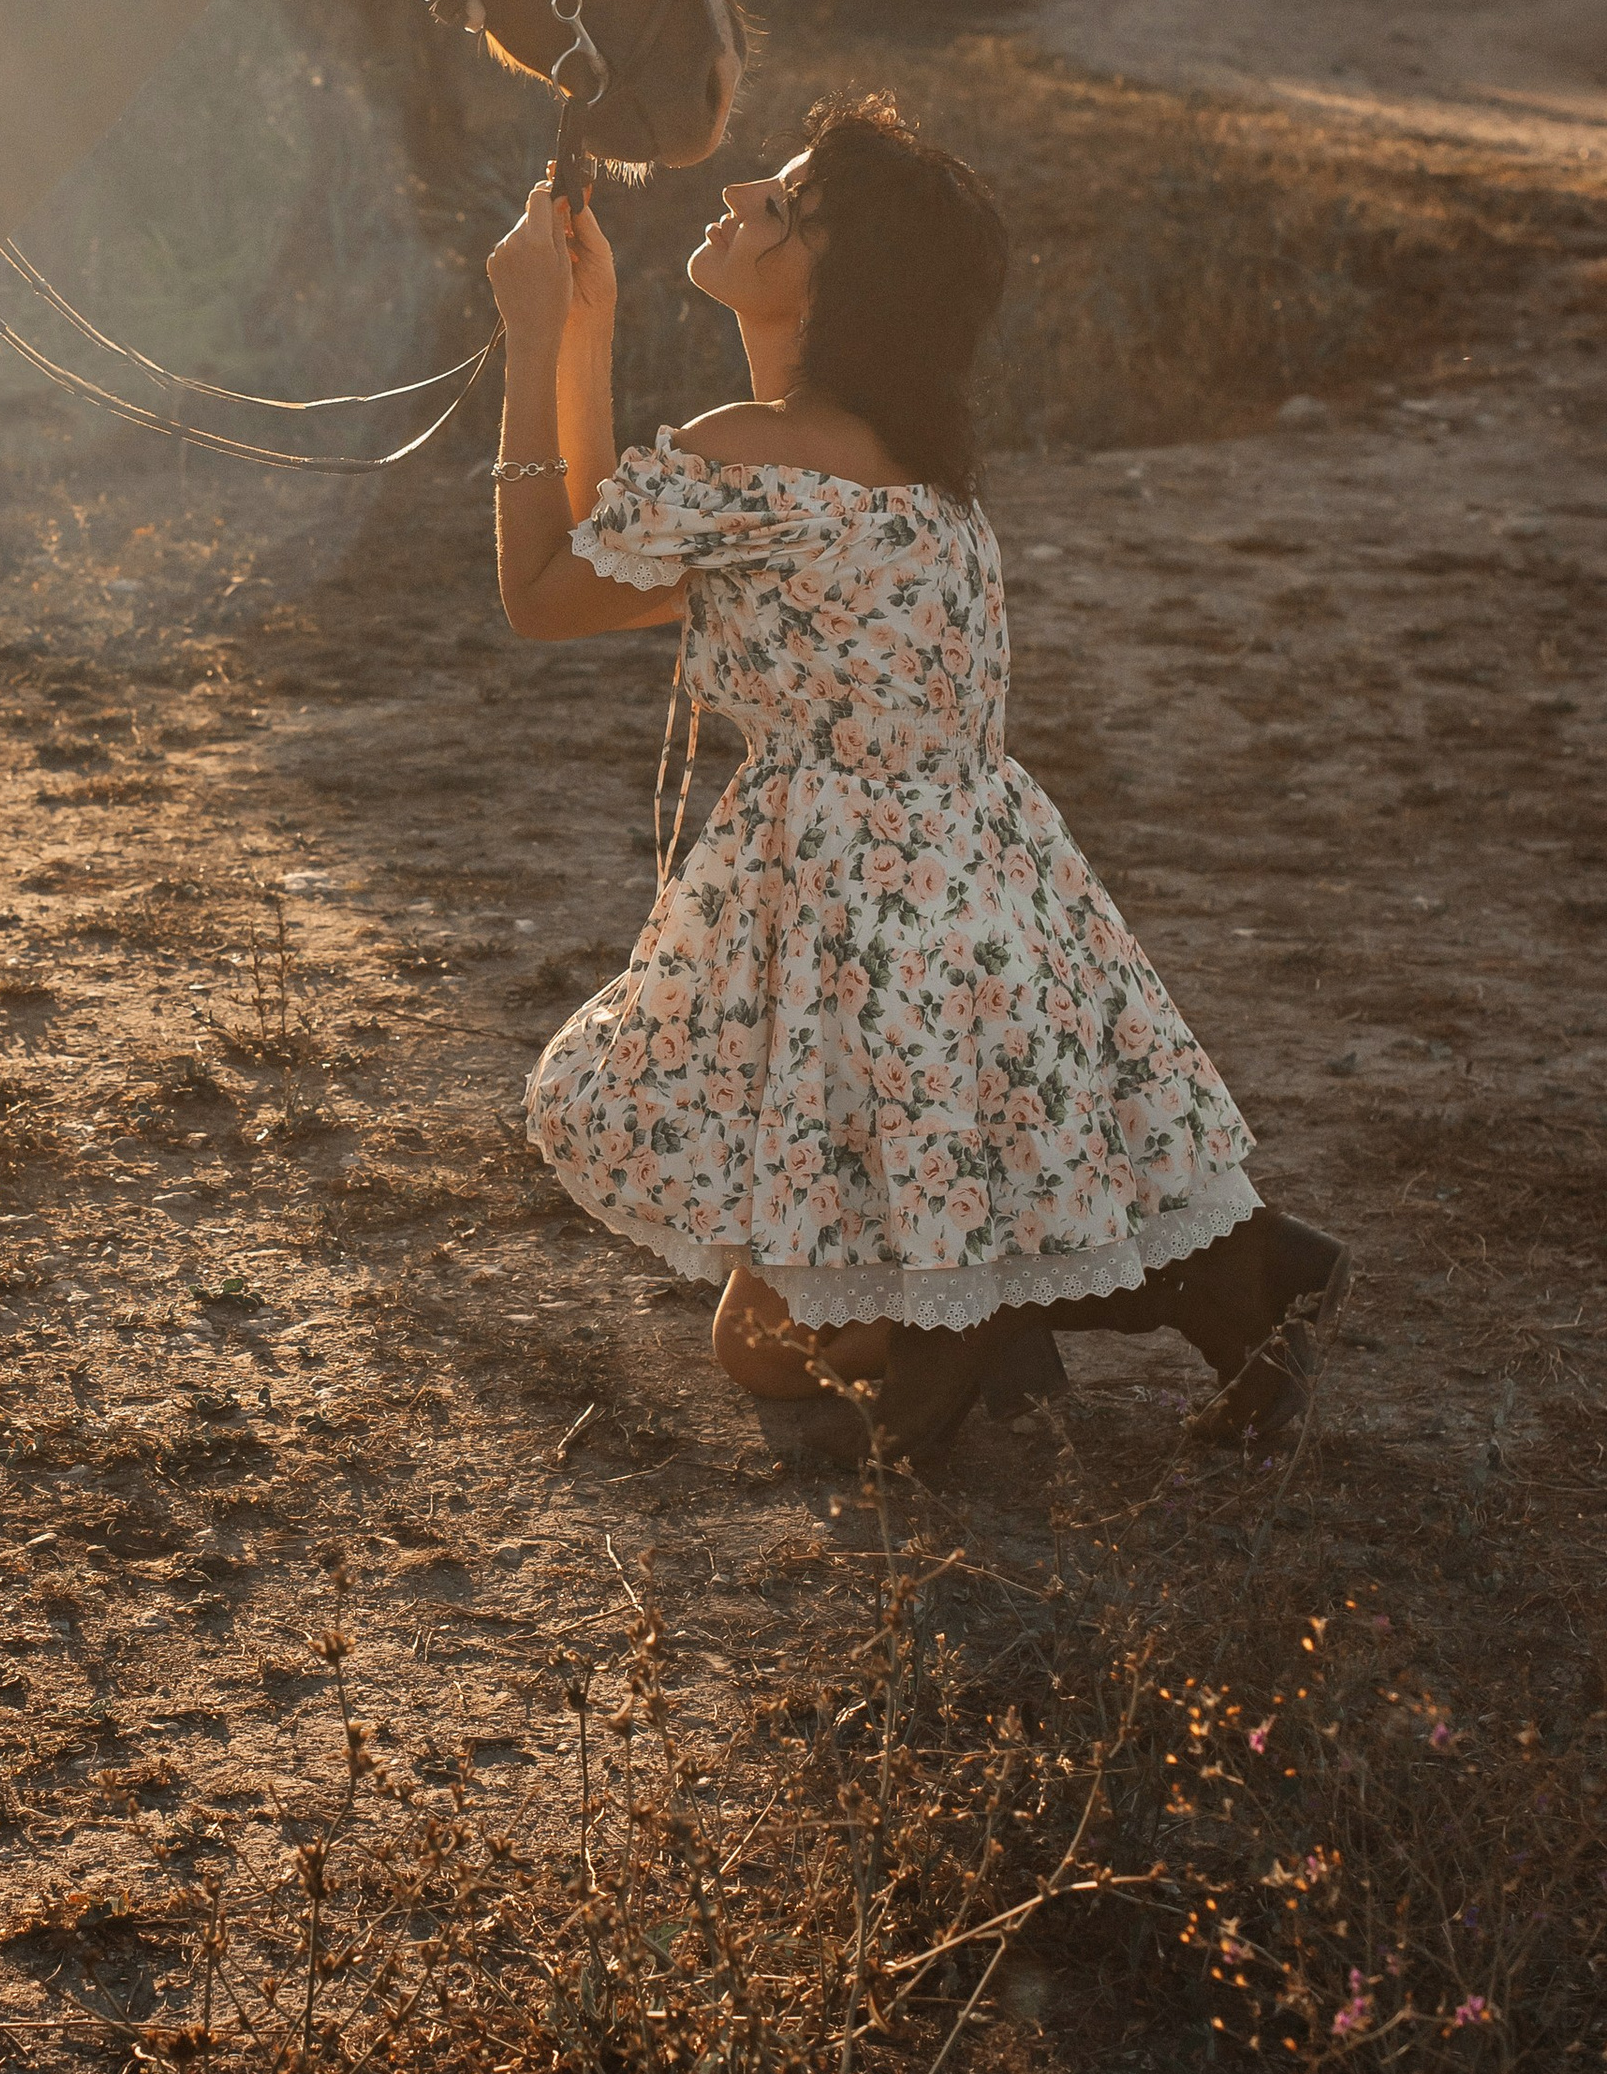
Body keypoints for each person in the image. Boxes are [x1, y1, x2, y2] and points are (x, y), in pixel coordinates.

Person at [484, 94, 1349, 1468]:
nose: (745, 196)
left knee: (766, 1352)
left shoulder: (757, 456)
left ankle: (1062, 1297)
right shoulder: (891, 467)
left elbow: (544, 589)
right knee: (762, 1344)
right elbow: (612, 558)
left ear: (841, 277)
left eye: (786, 200)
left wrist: (534, 339)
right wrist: (585, 331)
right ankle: (1181, 1273)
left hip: (865, 926)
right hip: (970, 898)